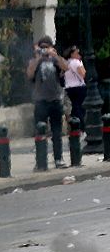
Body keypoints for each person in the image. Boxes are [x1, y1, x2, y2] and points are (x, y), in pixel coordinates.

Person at [26, 35, 68, 168]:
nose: (44, 50)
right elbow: (30, 74)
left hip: (55, 100)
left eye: (46, 47)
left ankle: (58, 159)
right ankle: (40, 161)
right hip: (41, 101)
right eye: (42, 47)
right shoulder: (34, 61)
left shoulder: (55, 60)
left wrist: (54, 55)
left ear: (51, 47)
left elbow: (66, 67)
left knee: (57, 132)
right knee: (40, 132)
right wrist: (38, 57)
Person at [63, 45, 87, 134]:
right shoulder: (76, 62)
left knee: (75, 107)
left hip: (69, 88)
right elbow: (83, 74)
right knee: (80, 107)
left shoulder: (66, 62)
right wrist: (81, 64)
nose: (79, 55)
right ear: (72, 54)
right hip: (79, 87)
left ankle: (75, 126)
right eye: (77, 53)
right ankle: (81, 126)